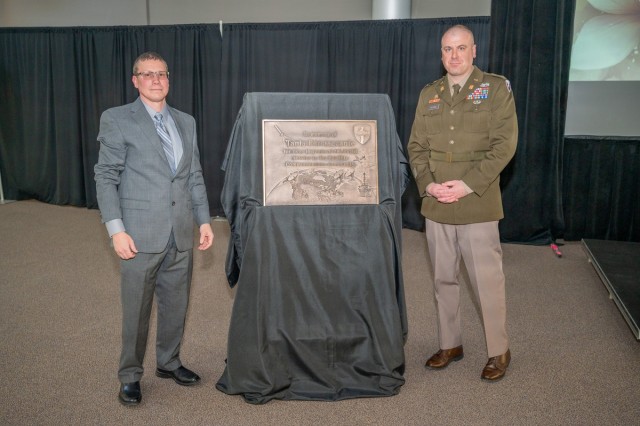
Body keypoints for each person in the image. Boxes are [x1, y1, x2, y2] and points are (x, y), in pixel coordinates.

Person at [94, 51, 214, 405]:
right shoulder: (117, 119)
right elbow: (105, 177)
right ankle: (130, 376)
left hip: (180, 232)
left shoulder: (186, 121)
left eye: (161, 73)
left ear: (168, 79)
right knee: (137, 311)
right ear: (135, 80)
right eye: (147, 74)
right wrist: (116, 230)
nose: (156, 80)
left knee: (177, 304)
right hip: (138, 234)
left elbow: (193, 175)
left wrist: (204, 220)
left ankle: (169, 362)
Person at [407, 25, 517, 381]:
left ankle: (499, 350)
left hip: (477, 203)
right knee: (443, 280)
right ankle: (450, 343)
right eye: (447, 49)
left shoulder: (496, 89)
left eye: (461, 48)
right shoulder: (430, 94)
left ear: (474, 51)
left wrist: (466, 185)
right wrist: (428, 185)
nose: (453, 56)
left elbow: (504, 146)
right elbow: (416, 148)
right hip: (438, 203)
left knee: (486, 281)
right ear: (441, 55)